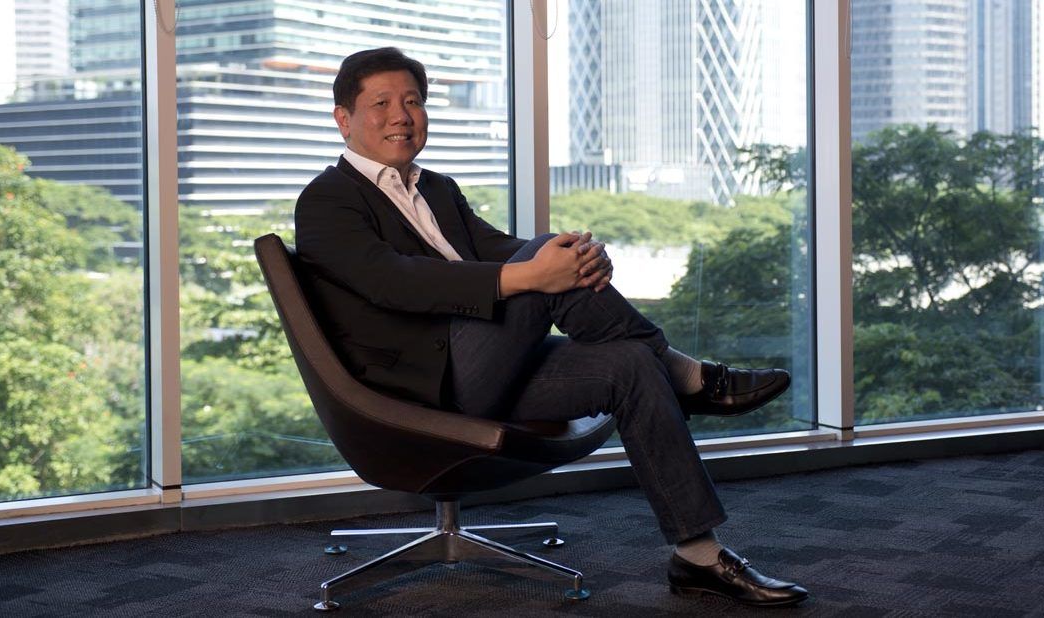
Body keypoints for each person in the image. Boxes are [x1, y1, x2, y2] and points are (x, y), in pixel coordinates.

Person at [294, 46, 809, 608]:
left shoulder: (436, 189)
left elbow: (500, 249)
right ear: (344, 118)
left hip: (487, 368)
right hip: (420, 392)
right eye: (382, 103)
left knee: (630, 361)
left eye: (413, 101)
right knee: (544, 261)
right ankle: (693, 378)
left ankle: (698, 556)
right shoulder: (326, 200)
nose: (402, 115)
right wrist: (539, 270)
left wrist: (576, 259)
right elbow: (394, 282)